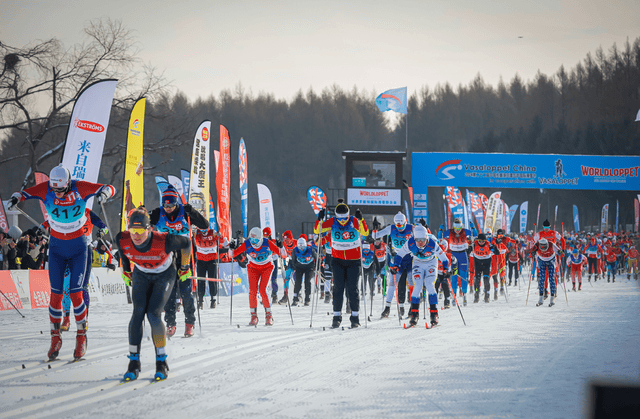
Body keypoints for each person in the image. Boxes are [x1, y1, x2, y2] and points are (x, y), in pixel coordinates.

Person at [8, 164, 115, 361]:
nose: (57, 193)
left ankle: (81, 336)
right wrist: (16, 198)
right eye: (54, 189)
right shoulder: (46, 188)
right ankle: (55, 338)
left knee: (75, 293)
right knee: (56, 295)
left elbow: (107, 187)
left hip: (78, 247)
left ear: (68, 183)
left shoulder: (79, 187)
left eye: (61, 189)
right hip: (56, 247)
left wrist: (105, 194)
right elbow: (23, 193)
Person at [116, 207, 192, 382]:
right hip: (141, 274)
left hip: (164, 274)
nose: (136, 235)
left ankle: (161, 362)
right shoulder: (123, 238)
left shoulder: (164, 240)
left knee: (153, 314)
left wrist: (185, 267)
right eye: (133, 230)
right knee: (137, 314)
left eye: (141, 230)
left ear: (149, 229)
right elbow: (123, 251)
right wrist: (126, 271)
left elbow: (186, 243)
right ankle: (134, 363)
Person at [149, 185, 208, 338]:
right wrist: (141, 215)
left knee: (186, 291)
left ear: (176, 203)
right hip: (167, 254)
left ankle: (190, 323)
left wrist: (193, 212)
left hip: (185, 254)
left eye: (171, 204)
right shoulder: (158, 213)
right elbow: (142, 224)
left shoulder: (185, 212)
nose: (168, 208)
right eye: (165, 204)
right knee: (168, 291)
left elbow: (205, 225)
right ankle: (170, 323)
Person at [314, 201, 369, 328]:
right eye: (340, 218)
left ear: (348, 215)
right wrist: (319, 219)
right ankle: (336, 316)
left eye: (345, 218)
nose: (342, 221)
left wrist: (361, 220)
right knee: (338, 288)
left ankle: (355, 317)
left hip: (354, 261)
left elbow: (365, 232)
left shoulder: (354, 221)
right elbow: (317, 230)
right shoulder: (332, 222)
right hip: (337, 260)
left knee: (352, 289)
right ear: (336, 216)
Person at [392, 225, 450, 327]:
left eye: (422, 240)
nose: (420, 242)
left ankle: (434, 314)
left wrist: (445, 268)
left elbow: (444, 258)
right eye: (417, 240)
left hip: (431, 263)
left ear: (427, 238)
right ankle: (414, 315)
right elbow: (400, 254)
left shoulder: (432, 244)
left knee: (429, 284)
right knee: (417, 286)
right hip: (418, 263)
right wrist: (396, 265)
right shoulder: (410, 243)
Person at [230, 227, 286, 325]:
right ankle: (253, 316)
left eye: (255, 240)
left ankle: (269, 315)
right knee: (252, 291)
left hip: (267, 267)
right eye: (251, 239)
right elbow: (232, 255)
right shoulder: (247, 243)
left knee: (263, 290)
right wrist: (231, 248)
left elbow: (283, 255)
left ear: (260, 239)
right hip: (253, 268)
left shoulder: (267, 243)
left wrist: (281, 247)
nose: (252, 242)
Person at [374, 212, 412, 319]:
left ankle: (412, 308)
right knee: (393, 284)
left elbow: (426, 235)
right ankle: (387, 308)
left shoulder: (411, 228)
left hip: (409, 259)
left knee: (410, 283)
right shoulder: (391, 229)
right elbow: (376, 236)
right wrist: (375, 229)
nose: (399, 228)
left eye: (401, 225)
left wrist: (425, 229)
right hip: (397, 259)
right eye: (397, 225)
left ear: (405, 222)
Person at [194, 227, 228, 309]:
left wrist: (221, 237)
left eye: (205, 231)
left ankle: (213, 300)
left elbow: (224, 243)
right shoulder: (196, 232)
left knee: (212, 280)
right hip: (200, 260)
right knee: (201, 280)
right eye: (202, 231)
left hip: (212, 260)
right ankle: (200, 301)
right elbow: (189, 239)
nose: (203, 233)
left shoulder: (213, 232)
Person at [442, 218, 473, 306]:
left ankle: (464, 295)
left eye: (459, 228)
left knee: (463, 277)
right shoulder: (450, 232)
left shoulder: (465, 231)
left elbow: (474, 235)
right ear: (453, 227)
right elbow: (440, 237)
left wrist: (473, 228)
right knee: (454, 277)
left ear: (462, 227)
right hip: (453, 256)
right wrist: (441, 230)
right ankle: (454, 295)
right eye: (456, 228)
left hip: (463, 255)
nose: (457, 231)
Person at [530, 238, 562, 307]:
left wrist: (560, 252)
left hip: (551, 260)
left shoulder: (551, 244)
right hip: (542, 260)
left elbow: (558, 250)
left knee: (551, 278)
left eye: (545, 247)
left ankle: (552, 297)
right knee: (541, 279)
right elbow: (531, 251)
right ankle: (541, 298)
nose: (543, 249)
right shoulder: (537, 245)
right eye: (542, 247)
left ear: (547, 245)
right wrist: (532, 253)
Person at [471, 233, 500, 303]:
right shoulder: (474, 244)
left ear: (485, 241)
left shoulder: (489, 244)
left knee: (486, 279)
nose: (481, 243)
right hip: (477, 262)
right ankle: (476, 294)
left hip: (486, 263)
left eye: (483, 241)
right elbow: (468, 249)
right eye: (479, 241)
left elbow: (497, 252)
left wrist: (495, 250)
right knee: (477, 279)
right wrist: (468, 250)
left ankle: (487, 294)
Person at [291, 237, 317, 306]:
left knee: (307, 282)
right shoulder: (295, 250)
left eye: (303, 246)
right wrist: (294, 267)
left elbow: (316, 258)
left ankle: (307, 299)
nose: (301, 248)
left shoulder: (311, 250)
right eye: (300, 246)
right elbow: (293, 260)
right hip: (299, 267)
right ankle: (295, 297)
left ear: (305, 245)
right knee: (298, 282)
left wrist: (316, 267)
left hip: (309, 267)